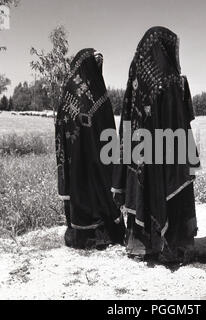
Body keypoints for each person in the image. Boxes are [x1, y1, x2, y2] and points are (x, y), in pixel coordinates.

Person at [112, 27, 200, 263]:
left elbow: (128, 117)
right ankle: (170, 246)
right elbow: (179, 120)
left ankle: (143, 245)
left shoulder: (137, 70)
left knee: (143, 190)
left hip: (138, 150)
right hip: (168, 151)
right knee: (167, 191)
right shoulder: (168, 78)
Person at [55, 48, 125, 250]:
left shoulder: (65, 96)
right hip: (97, 159)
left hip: (73, 162)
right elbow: (106, 129)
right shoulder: (97, 97)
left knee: (79, 183)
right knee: (98, 185)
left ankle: (80, 232)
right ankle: (102, 232)